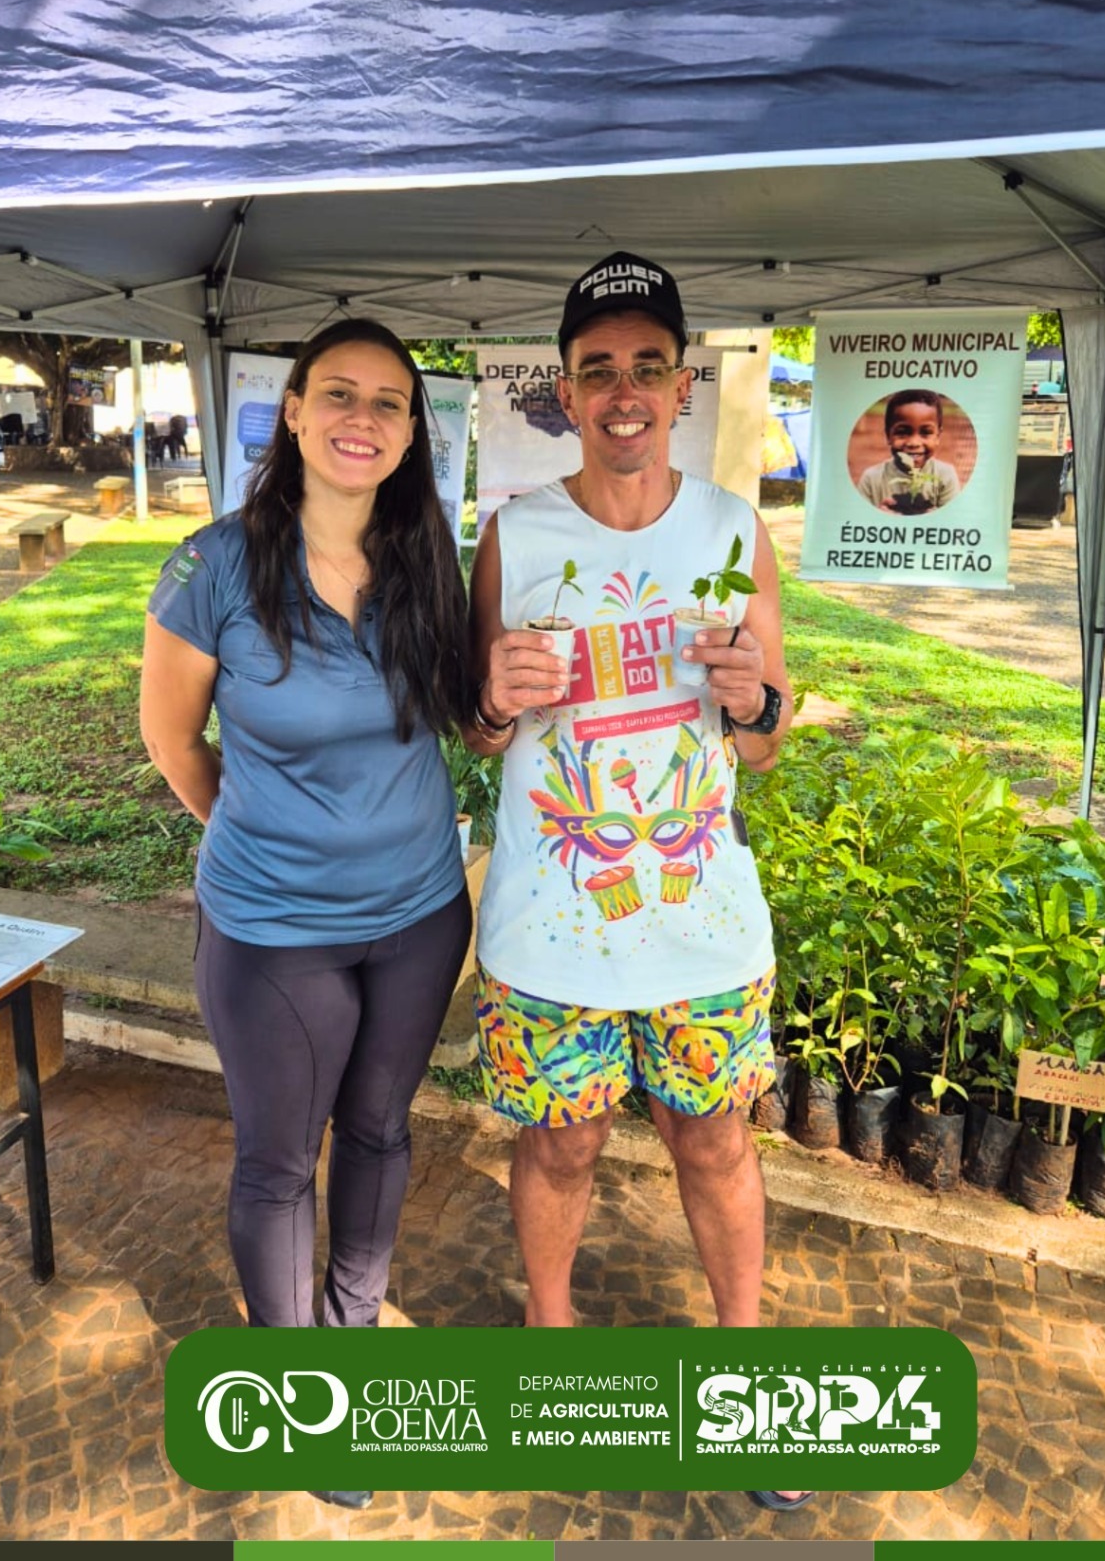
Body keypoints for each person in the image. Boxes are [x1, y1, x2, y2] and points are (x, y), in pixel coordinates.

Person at [466, 251, 812, 1514]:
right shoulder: (513, 534)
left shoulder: (731, 531)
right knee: (558, 1145)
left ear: (679, 388)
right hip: (552, 925)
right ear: (564, 391)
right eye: (597, 369)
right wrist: (492, 702)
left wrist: (755, 701)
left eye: (646, 368)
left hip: (702, 925)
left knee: (712, 1143)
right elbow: (479, 726)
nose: (623, 392)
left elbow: (764, 739)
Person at [140, 317, 473, 1512]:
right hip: (274, 932)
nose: (361, 419)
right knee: (280, 1164)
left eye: (388, 402)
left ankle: (349, 1330)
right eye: (338, 393)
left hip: (420, 913)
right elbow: (173, 740)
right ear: (291, 410)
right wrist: (264, 835)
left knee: (378, 1132)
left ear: (411, 431)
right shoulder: (215, 566)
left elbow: (464, 713)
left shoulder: (428, 555)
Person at [856, 389, 961, 514]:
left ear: (938, 436)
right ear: (888, 435)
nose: (914, 443)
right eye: (902, 432)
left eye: (926, 432)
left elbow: (953, 519)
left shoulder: (945, 476)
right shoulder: (871, 479)